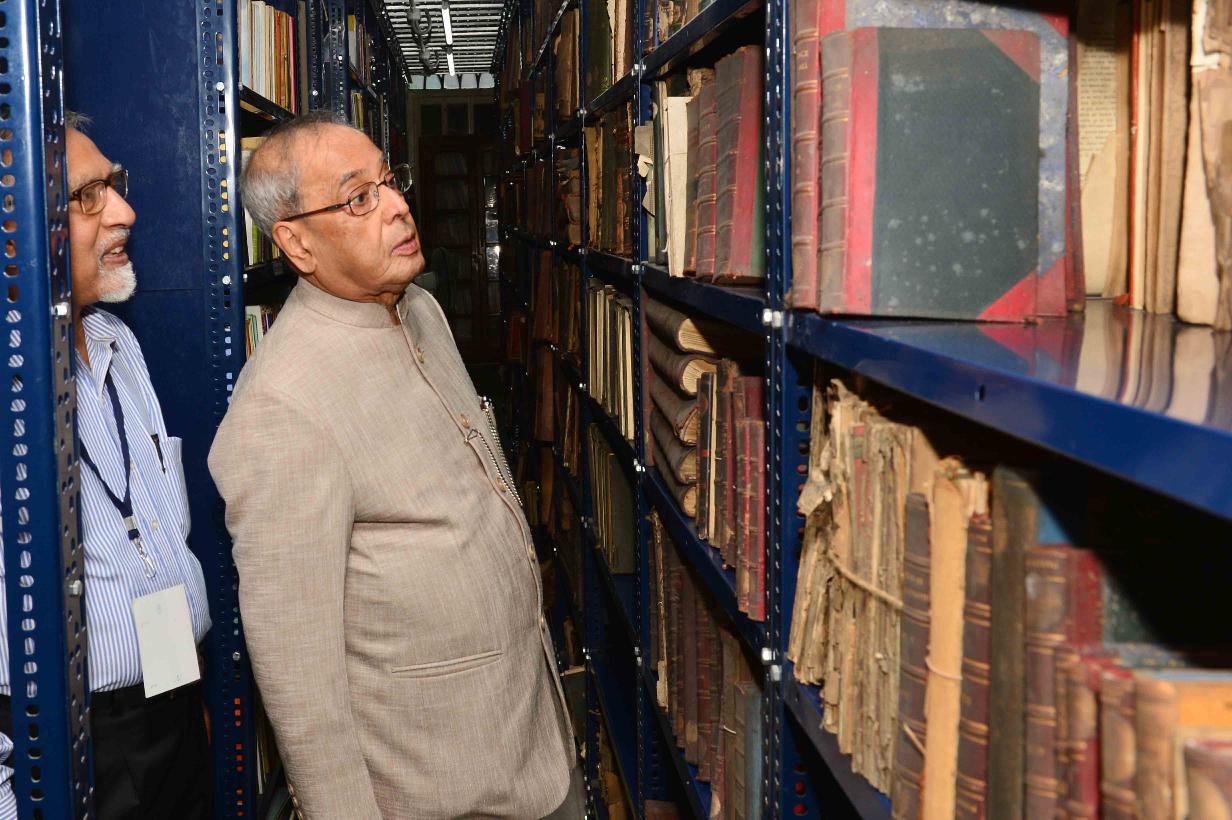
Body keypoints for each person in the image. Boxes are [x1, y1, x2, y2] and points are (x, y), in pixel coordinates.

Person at [208, 111, 583, 819]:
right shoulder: (281, 407)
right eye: (358, 198)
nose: (397, 205)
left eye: (389, 180)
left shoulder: (423, 311)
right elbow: (298, 675)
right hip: (434, 788)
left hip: (527, 741)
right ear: (296, 243)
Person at [0, 113, 214, 818]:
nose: (125, 211)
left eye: (114, 185)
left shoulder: (119, 343)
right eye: (88, 196)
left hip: (173, 703)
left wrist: (185, 699)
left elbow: (152, 535)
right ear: (12, 230)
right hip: (76, 746)